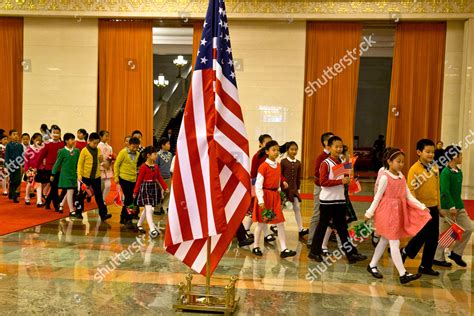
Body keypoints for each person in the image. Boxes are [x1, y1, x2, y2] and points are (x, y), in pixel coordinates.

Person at [364, 148, 431, 284]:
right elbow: (377, 197)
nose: (401, 164)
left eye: (402, 162)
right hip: (385, 213)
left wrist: (421, 206)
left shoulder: (401, 176)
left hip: (397, 213)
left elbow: (408, 195)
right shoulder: (385, 177)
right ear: (389, 161)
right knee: (394, 241)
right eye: (398, 161)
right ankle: (403, 273)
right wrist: (369, 212)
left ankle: (372, 265)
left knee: (384, 240)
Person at [308, 135, 367, 264]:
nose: (339, 149)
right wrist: (341, 181)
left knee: (342, 228)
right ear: (329, 147)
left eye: (341, 146)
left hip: (339, 200)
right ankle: (314, 252)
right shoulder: (325, 163)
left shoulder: (341, 162)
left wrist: (349, 180)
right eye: (336, 147)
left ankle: (351, 254)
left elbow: (344, 179)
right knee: (322, 226)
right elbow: (322, 182)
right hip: (328, 201)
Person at [401, 139, 441, 276]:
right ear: (419, 152)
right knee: (424, 234)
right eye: (428, 152)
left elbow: (437, 188)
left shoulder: (435, 166)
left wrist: (439, 206)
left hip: (434, 207)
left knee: (433, 237)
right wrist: (418, 207)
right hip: (422, 208)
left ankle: (425, 266)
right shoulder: (414, 169)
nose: (431, 155)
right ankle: (407, 251)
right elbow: (410, 190)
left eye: (432, 152)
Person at [252, 140, 297, 258]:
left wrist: (281, 195)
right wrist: (261, 201)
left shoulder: (278, 165)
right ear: (267, 152)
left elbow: (277, 183)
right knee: (261, 223)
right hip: (265, 197)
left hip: (275, 196)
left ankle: (284, 249)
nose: (276, 152)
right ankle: (256, 246)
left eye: (277, 150)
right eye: (273, 150)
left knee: (280, 223)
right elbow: (258, 185)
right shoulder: (263, 166)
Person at [434, 145, 472, 268]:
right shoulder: (445, 172)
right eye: (460, 155)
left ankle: (456, 253)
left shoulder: (459, 172)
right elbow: (444, 191)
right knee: (447, 233)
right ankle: (437, 258)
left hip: (459, 206)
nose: (462, 157)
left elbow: (456, 192)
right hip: (447, 208)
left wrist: (458, 206)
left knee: (468, 228)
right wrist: (451, 207)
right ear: (454, 157)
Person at [134, 146, 169, 238]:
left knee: (148, 209)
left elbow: (159, 178)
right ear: (148, 155)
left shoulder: (156, 167)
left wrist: (165, 187)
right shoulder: (143, 167)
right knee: (149, 209)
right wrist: (135, 192)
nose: (156, 155)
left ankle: (139, 224)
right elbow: (139, 180)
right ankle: (152, 229)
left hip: (153, 188)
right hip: (145, 188)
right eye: (154, 154)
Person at [77, 132, 111, 221]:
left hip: (96, 177)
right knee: (81, 195)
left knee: (98, 195)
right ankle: (79, 211)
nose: (96, 145)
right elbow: (80, 164)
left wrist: (103, 161)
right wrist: (79, 175)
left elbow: (100, 161)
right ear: (89, 141)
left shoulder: (98, 150)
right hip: (85, 177)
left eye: (97, 143)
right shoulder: (84, 151)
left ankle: (103, 214)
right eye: (94, 143)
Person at [307, 132, 334, 248]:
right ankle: (311, 239)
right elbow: (317, 176)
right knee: (317, 213)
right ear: (326, 143)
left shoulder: (335, 157)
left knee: (331, 214)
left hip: (332, 188)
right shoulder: (321, 157)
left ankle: (327, 237)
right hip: (321, 188)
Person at [248, 134, 275, 243]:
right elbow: (253, 173)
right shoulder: (257, 156)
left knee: (261, 210)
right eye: (266, 142)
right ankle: (267, 234)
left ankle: (246, 228)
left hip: (268, 186)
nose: (268, 144)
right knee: (261, 209)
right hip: (259, 185)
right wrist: (255, 187)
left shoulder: (271, 156)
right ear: (260, 144)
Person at [280, 141, 308, 239]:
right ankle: (274, 226)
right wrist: (280, 187)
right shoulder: (283, 162)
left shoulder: (298, 163)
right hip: (284, 190)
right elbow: (280, 175)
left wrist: (298, 189)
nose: (294, 151)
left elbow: (297, 178)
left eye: (295, 149)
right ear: (287, 150)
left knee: (297, 208)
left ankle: (301, 229)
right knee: (280, 208)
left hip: (294, 189)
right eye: (292, 149)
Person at [51, 133, 80, 215]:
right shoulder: (62, 151)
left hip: (74, 174)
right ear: (66, 141)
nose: (73, 141)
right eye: (71, 139)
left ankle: (61, 204)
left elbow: (78, 163)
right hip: (65, 175)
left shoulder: (77, 151)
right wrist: (53, 174)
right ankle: (71, 210)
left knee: (70, 191)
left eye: (74, 139)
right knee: (70, 190)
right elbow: (57, 163)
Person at [115, 136, 140, 226]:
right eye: (133, 146)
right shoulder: (123, 153)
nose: (135, 149)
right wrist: (116, 178)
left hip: (133, 179)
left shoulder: (137, 154)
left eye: (137, 147)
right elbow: (116, 165)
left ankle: (123, 217)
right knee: (129, 199)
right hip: (124, 178)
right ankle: (129, 219)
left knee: (129, 199)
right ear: (129, 145)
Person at [39, 125, 64, 210]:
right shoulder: (47, 144)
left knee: (54, 186)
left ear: (60, 134)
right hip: (49, 169)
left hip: (60, 169)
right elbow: (41, 156)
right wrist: (37, 167)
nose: (56, 134)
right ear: (51, 134)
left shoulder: (62, 144)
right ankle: (56, 205)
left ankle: (48, 202)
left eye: (58, 133)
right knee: (55, 187)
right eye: (54, 133)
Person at [24, 133, 45, 206]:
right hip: (30, 169)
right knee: (29, 184)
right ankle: (27, 197)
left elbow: (42, 159)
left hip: (39, 169)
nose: (38, 142)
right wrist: (26, 170)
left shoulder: (42, 148)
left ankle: (39, 201)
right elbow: (26, 160)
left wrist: (43, 166)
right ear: (33, 139)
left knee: (39, 184)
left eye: (40, 140)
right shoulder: (29, 148)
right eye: (37, 140)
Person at [5, 129, 24, 203]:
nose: (16, 136)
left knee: (18, 181)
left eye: (17, 134)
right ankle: (14, 196)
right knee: (13, 180)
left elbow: (22, 155)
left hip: (18, 165)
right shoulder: (9, 145)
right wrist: (7, 164)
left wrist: (22, 163)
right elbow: (7, 155)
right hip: (10, 165)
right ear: (10, 136)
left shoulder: (20, 145)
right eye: (14, 134)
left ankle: (11, 191)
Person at [155, 137, 173, 215]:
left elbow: (171, 165)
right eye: (168, 144)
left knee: (167, 193)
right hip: (160, 178)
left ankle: (163, 206)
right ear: (162, 145)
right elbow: (156, 166)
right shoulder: (158, 154)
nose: (169, 145)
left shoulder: (170, 154)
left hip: (168, 177)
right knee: (159, 193)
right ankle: (157, 209)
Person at [98, 130, 114, 201]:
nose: (107, 137)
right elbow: (98, 157)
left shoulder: (110, 147)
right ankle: (100, 200)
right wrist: (102, 164)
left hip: (107, 168)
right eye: (105, 136)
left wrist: (110, 162)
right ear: (101, 137)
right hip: (100, 168)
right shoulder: (98, 146)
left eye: (108, 136)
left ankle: (103, 200)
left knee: (108, 185)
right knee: (101, 186)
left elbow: (111, 156)